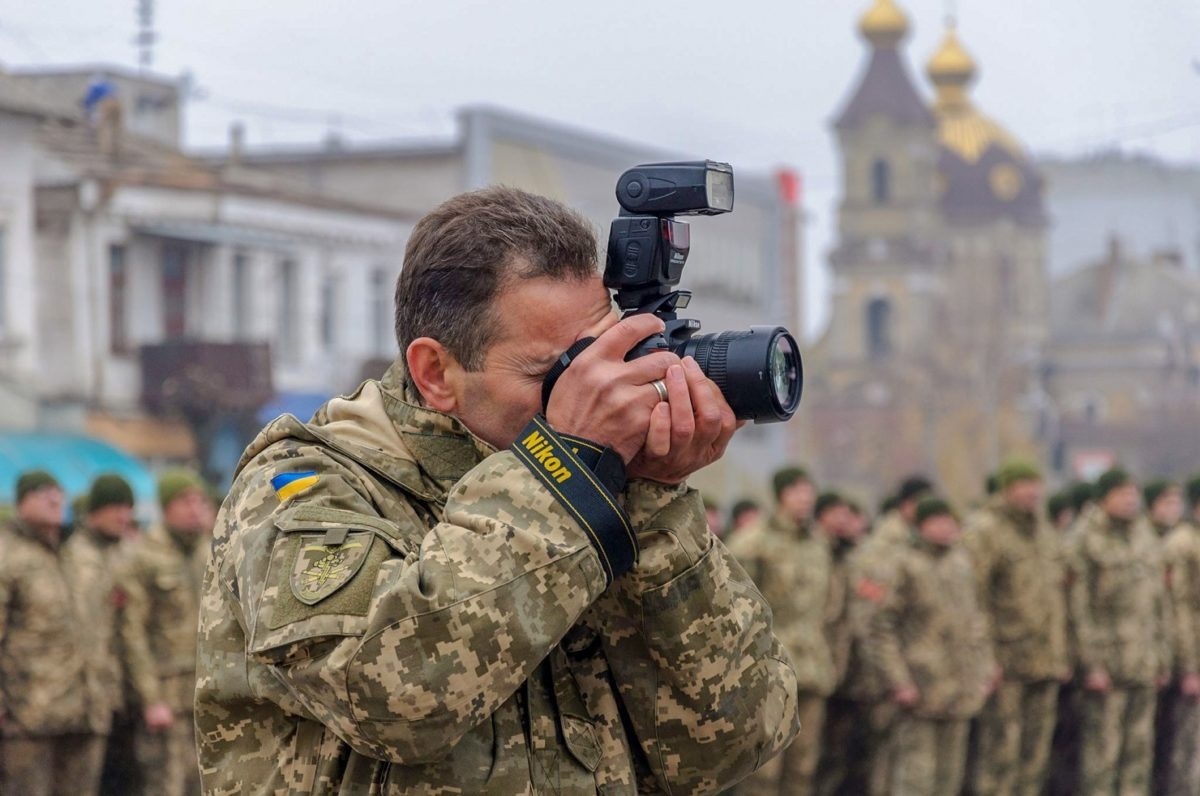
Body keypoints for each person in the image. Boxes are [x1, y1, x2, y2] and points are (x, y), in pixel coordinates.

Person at [194, 186, 800, 793]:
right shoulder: (304, 486)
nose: (594, 392)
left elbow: (739, 738)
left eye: (603, 360)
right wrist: (563, 471)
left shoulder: (599, 491)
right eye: (554, 373)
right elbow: (390, 698)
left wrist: (655, 498)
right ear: (436, 373)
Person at [0, 471, 119, 795]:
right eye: (42, 492)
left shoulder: (78, 555)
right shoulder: (8, 557)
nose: (54, 499)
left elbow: (102, 628)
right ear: (21, 501)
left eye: (58, 492)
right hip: (29, 717)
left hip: (87, 709)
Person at [866, 498, 995, 796]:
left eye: (950, 520)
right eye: (937, 521)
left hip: (959, 688)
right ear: (921, 526)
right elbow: (881, 628)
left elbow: (976, 620)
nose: (946, 527)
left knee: (949, 779)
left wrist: (985, 668)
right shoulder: (903, 565)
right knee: (916, 779)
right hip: (921, 688)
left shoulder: (961, 563)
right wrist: (899, 681)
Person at [962, 459, 1068, 795]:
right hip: (1005, 662)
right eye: (1024, 484)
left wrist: (1061, 654)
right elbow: (973, 600)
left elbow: (1057, 597)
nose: (1032, 492)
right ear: (1007, 488)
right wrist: (985, 660)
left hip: (1044, 661)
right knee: (1001, 754)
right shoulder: (985, 530)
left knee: (1035, 757)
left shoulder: (1045, 532)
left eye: (1036, 484)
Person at [729, 467, 833, 796]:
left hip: (813, 668)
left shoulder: (819, 542)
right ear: (780, 496)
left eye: (808, 491)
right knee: (764, 769)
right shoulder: (752, 541)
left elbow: (830, 603)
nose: (805, 498)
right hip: (768, 668)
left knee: (803, 767)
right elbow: (733, 606)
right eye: (797, 491)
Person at [1068, 468, 1170, 795]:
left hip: (1143, 661)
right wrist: (1091, 665)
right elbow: (1079, 608)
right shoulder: (1085, 538)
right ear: (1104, 497)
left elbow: (1158, 603)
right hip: (1107, 664)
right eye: (1122, 494)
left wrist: (1162, 657)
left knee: (1139, 752)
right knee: (1103, 753)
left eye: (1133, 493)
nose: (1130, 500)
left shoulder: (1144, 535)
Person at [121, 469, 212, 796]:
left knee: (207, 784)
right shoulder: (144, 556)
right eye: (184, 500)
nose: (194, 507)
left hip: (209, 693)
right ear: (165, 507)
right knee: (166, 785)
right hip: (167, 695)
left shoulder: (211, 552)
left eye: (199, 500)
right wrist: (150, 698)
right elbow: (133, 633)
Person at [814, 493, 873, 796]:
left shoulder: (854, 556)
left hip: (848, 669)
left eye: (849, 515)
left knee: (840, 749)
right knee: (811, 750)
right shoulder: (814, 552)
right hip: (815, 665)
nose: (845, 521)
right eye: (838, 514)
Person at [1158, 478, 1199, 795]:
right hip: (1193, 657)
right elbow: (1179, 609)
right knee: (1187, 747)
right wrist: (1188, 666)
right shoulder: (1182, 544)